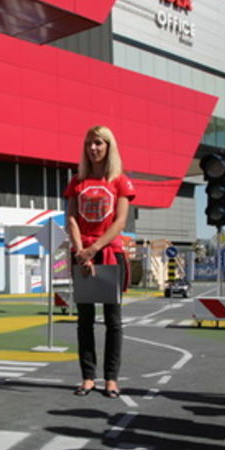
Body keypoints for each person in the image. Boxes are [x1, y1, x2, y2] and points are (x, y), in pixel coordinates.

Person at [64, 125, 135, 399]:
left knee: (113, 320)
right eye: (89, 144)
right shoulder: (76, 181)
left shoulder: (120, 181)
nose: (93, 148)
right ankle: (88, 377)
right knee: (84, 320)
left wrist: (94, 248)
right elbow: (70, 218)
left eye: (99, 143)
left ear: (109, 146)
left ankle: (112, 379)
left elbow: (120, 221)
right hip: (82, 254)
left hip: (108, 253)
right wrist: (81, 251)